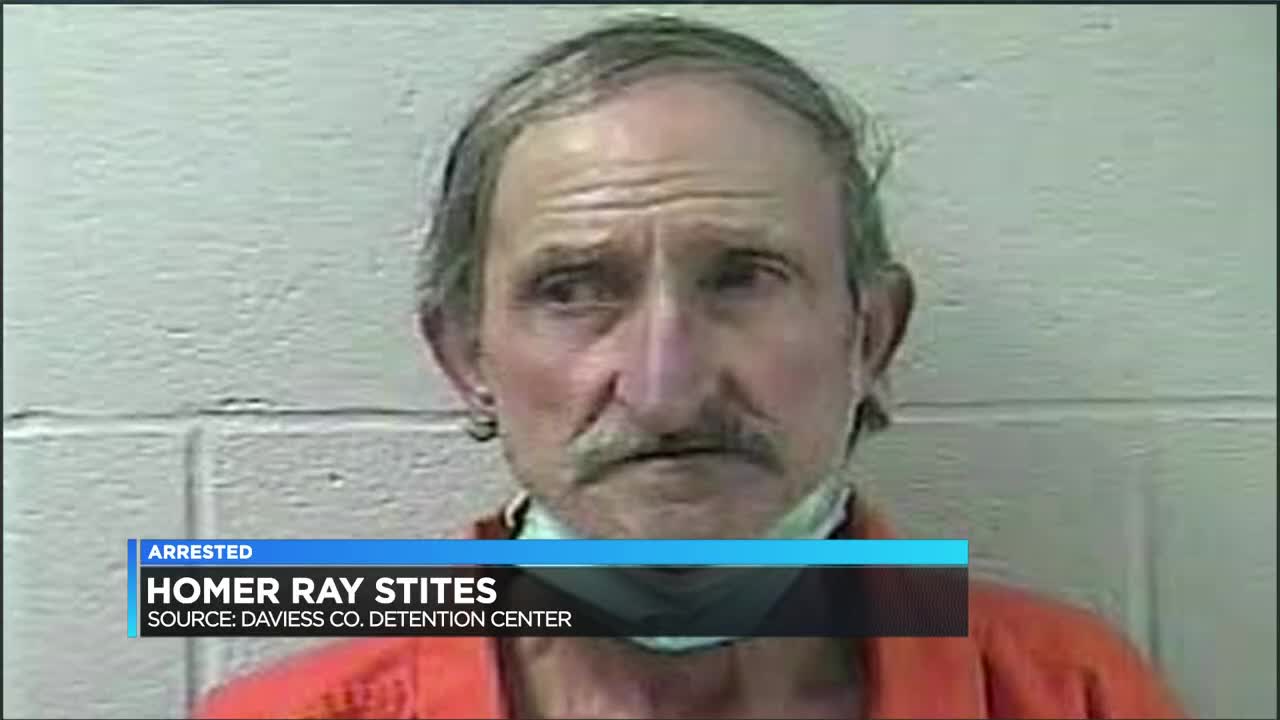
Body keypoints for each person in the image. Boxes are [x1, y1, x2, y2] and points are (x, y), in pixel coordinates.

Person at [197, 15, 1186, 720]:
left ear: (870, 337)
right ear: (466, 359)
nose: (666, 391)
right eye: (573, 289)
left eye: (744, 278)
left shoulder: (1074, 696)